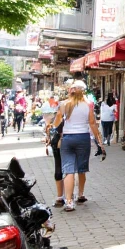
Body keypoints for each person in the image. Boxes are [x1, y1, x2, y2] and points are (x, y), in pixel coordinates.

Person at [47, 80, 106, 212]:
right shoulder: (87, 105)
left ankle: (68, 202)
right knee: (81, 168)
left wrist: (52, 129)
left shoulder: (64, 104)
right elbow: (92, 123)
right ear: (82, 92)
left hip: (67, 138)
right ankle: (80, 194)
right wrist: (99, 140)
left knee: (68, 170)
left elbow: (57, 122)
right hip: (83, 138)